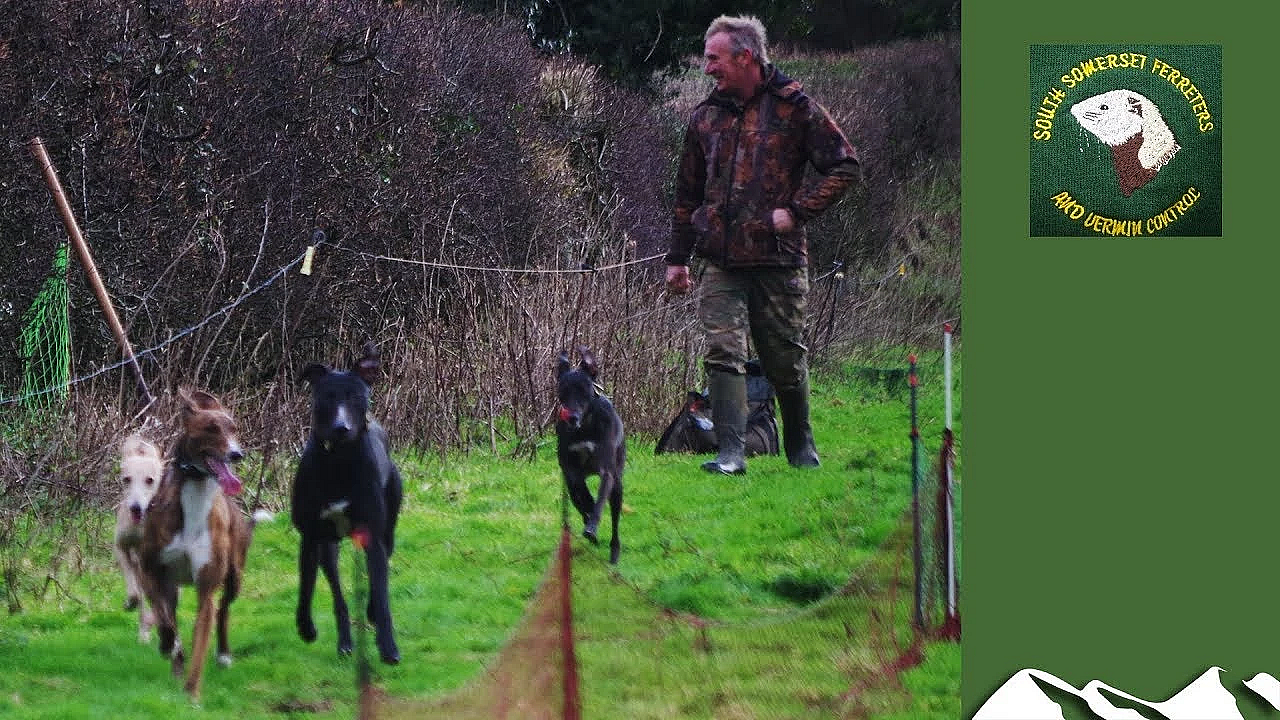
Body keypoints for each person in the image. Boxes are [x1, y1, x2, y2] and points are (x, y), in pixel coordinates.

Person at [665, 14, 860, 475]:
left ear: (745, 57)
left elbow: (845, 166)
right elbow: (687, 193)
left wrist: (798, 211)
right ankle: (731, 453)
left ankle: (800, 444)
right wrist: (677, 259)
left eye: (715, 59)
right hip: (720, 259)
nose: (707, 68)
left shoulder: (796, 107)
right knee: (722, 351)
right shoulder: (705, 116)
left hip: (778, 260)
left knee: (783, 358)